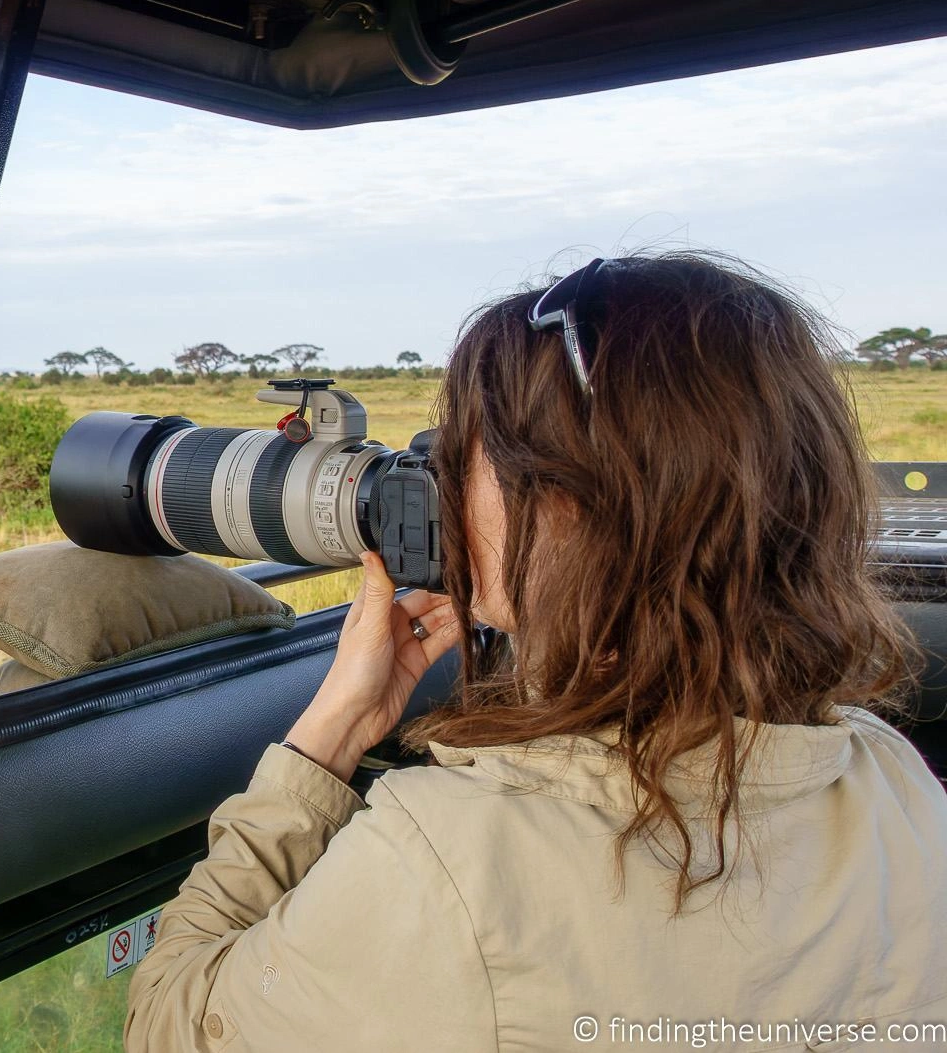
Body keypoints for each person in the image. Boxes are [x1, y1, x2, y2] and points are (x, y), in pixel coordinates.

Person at [127, 252, 947, 1051]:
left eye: (467, 447)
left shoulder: (450, 865)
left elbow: (168, 1022)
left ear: (572, 508)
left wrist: (331, 732)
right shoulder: (894, 780)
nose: (436, 475)